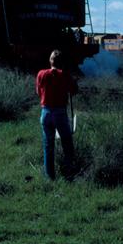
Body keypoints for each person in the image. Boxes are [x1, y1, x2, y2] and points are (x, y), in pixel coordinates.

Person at [35, 49, 78, 180]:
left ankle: (50, 177)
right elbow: (74, 90)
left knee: (48, 145)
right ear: (62, 62)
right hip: (60, 113)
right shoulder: (65, 75)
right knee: (67, 144)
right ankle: (69, 174)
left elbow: (38, 92)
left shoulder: (41, 74)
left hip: (46, 112)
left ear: (50, 61)